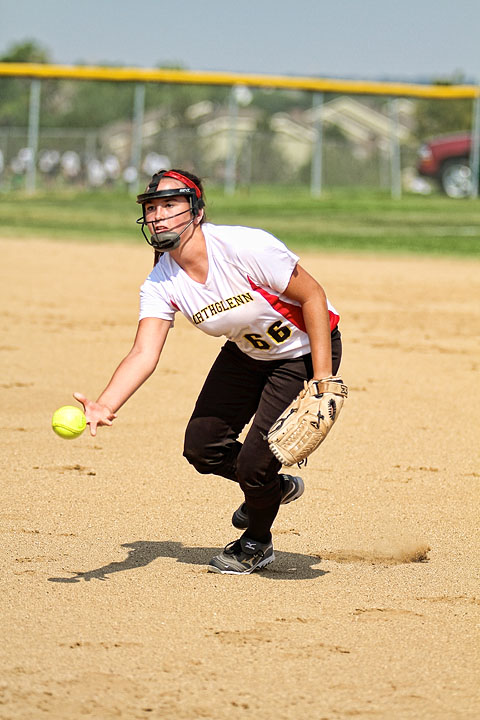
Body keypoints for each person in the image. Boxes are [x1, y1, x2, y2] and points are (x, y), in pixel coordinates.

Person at [74, 169, 343, 575]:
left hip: (300, 353)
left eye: (170, 205)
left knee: (255, 464)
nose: (158, 216)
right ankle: (271, 488)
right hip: (245, 355)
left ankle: (256, 542)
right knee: (203, 446)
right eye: (152, 208)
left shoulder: (241, 246)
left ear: (196, 211)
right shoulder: (161, 281)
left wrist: (322, 380)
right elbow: (144, 351)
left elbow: (314, 296)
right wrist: (105, 403)